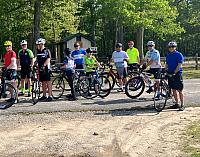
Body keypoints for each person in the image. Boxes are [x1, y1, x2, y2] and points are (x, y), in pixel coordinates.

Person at [166, 41, 184, 111]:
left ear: (175, 47)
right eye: (170, 47)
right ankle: (177, 104)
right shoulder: (168, 55)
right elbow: (167, 64)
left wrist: (174, 72)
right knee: (173, 89)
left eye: (173, 47)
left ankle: (182, 104)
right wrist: (165, 70)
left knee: (180, 90)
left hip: (177, 74)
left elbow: (179, 65)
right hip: (170, 73)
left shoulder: (178, 54)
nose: (171, 48)